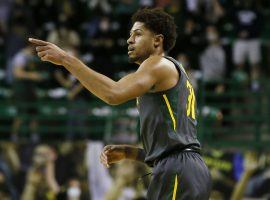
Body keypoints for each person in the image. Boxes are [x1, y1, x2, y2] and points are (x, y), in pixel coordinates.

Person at [29, 8, 211, 199]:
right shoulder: (168, 73)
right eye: (130, 34)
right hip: (185, 167)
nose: (129, 40)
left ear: (157, 40)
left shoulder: (158, 64)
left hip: (178, 169)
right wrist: (129, 153)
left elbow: (112, 94)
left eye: (138, 34)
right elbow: (173, 146)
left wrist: (66, 60)